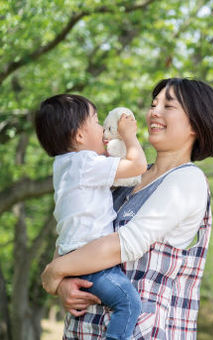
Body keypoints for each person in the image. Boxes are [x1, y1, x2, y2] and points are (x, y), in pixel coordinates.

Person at [41, 78, 213, 339]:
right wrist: (63, 284)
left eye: (168, 106)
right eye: (154, 104)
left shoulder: (187, 180)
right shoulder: (126, 178)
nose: (154, 111)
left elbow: (124, 245)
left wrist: (54, 271)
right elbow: (74, 231)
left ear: (196, 123)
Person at [35, 94, 147, 340]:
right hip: (90, 261)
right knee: (128, 303)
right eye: (97, 122)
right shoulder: (86, 163)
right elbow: (138, 166)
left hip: (70, 256)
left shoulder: (63, 165)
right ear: (79, 136)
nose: (102, 129)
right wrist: (129, 136)